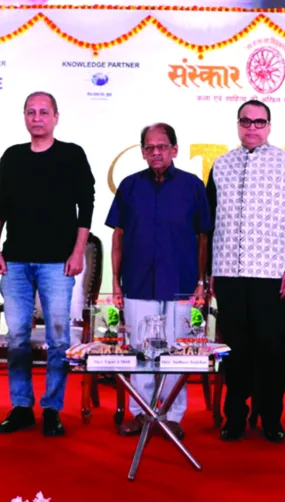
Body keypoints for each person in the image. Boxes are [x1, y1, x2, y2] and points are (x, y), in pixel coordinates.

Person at [0, 91, 95, 437]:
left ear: (56, 117)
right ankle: (21, 406)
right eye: (31, 112)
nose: (37, 117)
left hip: (57, 264)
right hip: (16, 262)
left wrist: (78, 251)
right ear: (24, 117)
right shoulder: (12, 156)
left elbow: (86, 206)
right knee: (18, 336)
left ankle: (52, 409)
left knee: (58, 339)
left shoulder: (72, 154)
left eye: (43, 112)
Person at [207, 99, 285, 443]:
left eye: (259, 122)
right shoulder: (220, 166)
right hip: (229, 273)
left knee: (269, 350)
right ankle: (234, 417)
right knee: (234, 349)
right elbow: (208, 225)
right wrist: (208, 271)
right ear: (237, 125)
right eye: (246, 122)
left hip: (272, 275)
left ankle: (270, 417)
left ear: (269, 126)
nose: (252, 128)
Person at [106, 123, 211, 440]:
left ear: (175, 150)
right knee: (141, 351)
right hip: (138, 280)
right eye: (149, 147)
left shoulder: (192, 186)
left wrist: (202, 282)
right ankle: (142, 413)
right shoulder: (129, 186)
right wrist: (115, 282)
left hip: (181, 281)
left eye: (162, 146)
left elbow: (203, 237)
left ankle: (173, 416)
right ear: (142, 152)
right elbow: (118, 236)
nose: (156, 152)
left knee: (177, 350)